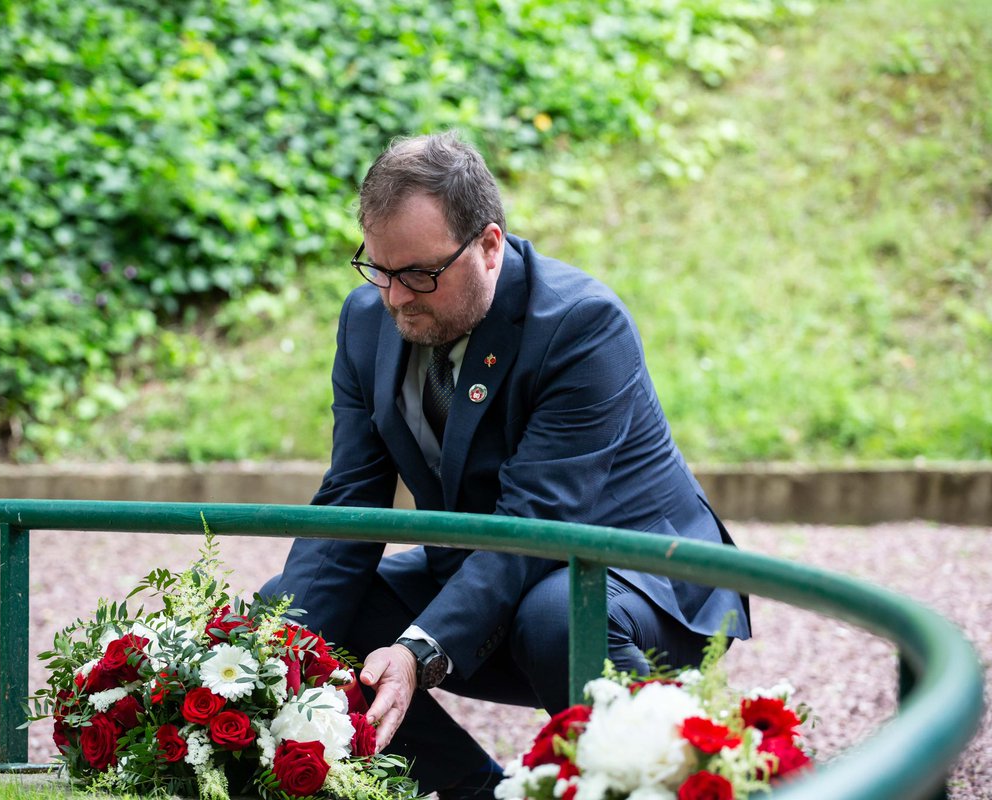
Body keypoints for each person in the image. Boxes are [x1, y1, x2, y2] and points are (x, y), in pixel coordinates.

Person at [264, 132, 749, 799]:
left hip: (637, 582)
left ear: (490, 245)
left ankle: (670, 778)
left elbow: (539, 520)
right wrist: (281, 648)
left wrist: (420, 649)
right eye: (377, 268)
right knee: (299, 617)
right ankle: (478, 792)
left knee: (557, 615)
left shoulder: (582, 325)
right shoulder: (366, 321)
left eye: (420, 275)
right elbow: (353, 495)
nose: (396, 297)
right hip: (493, 580)